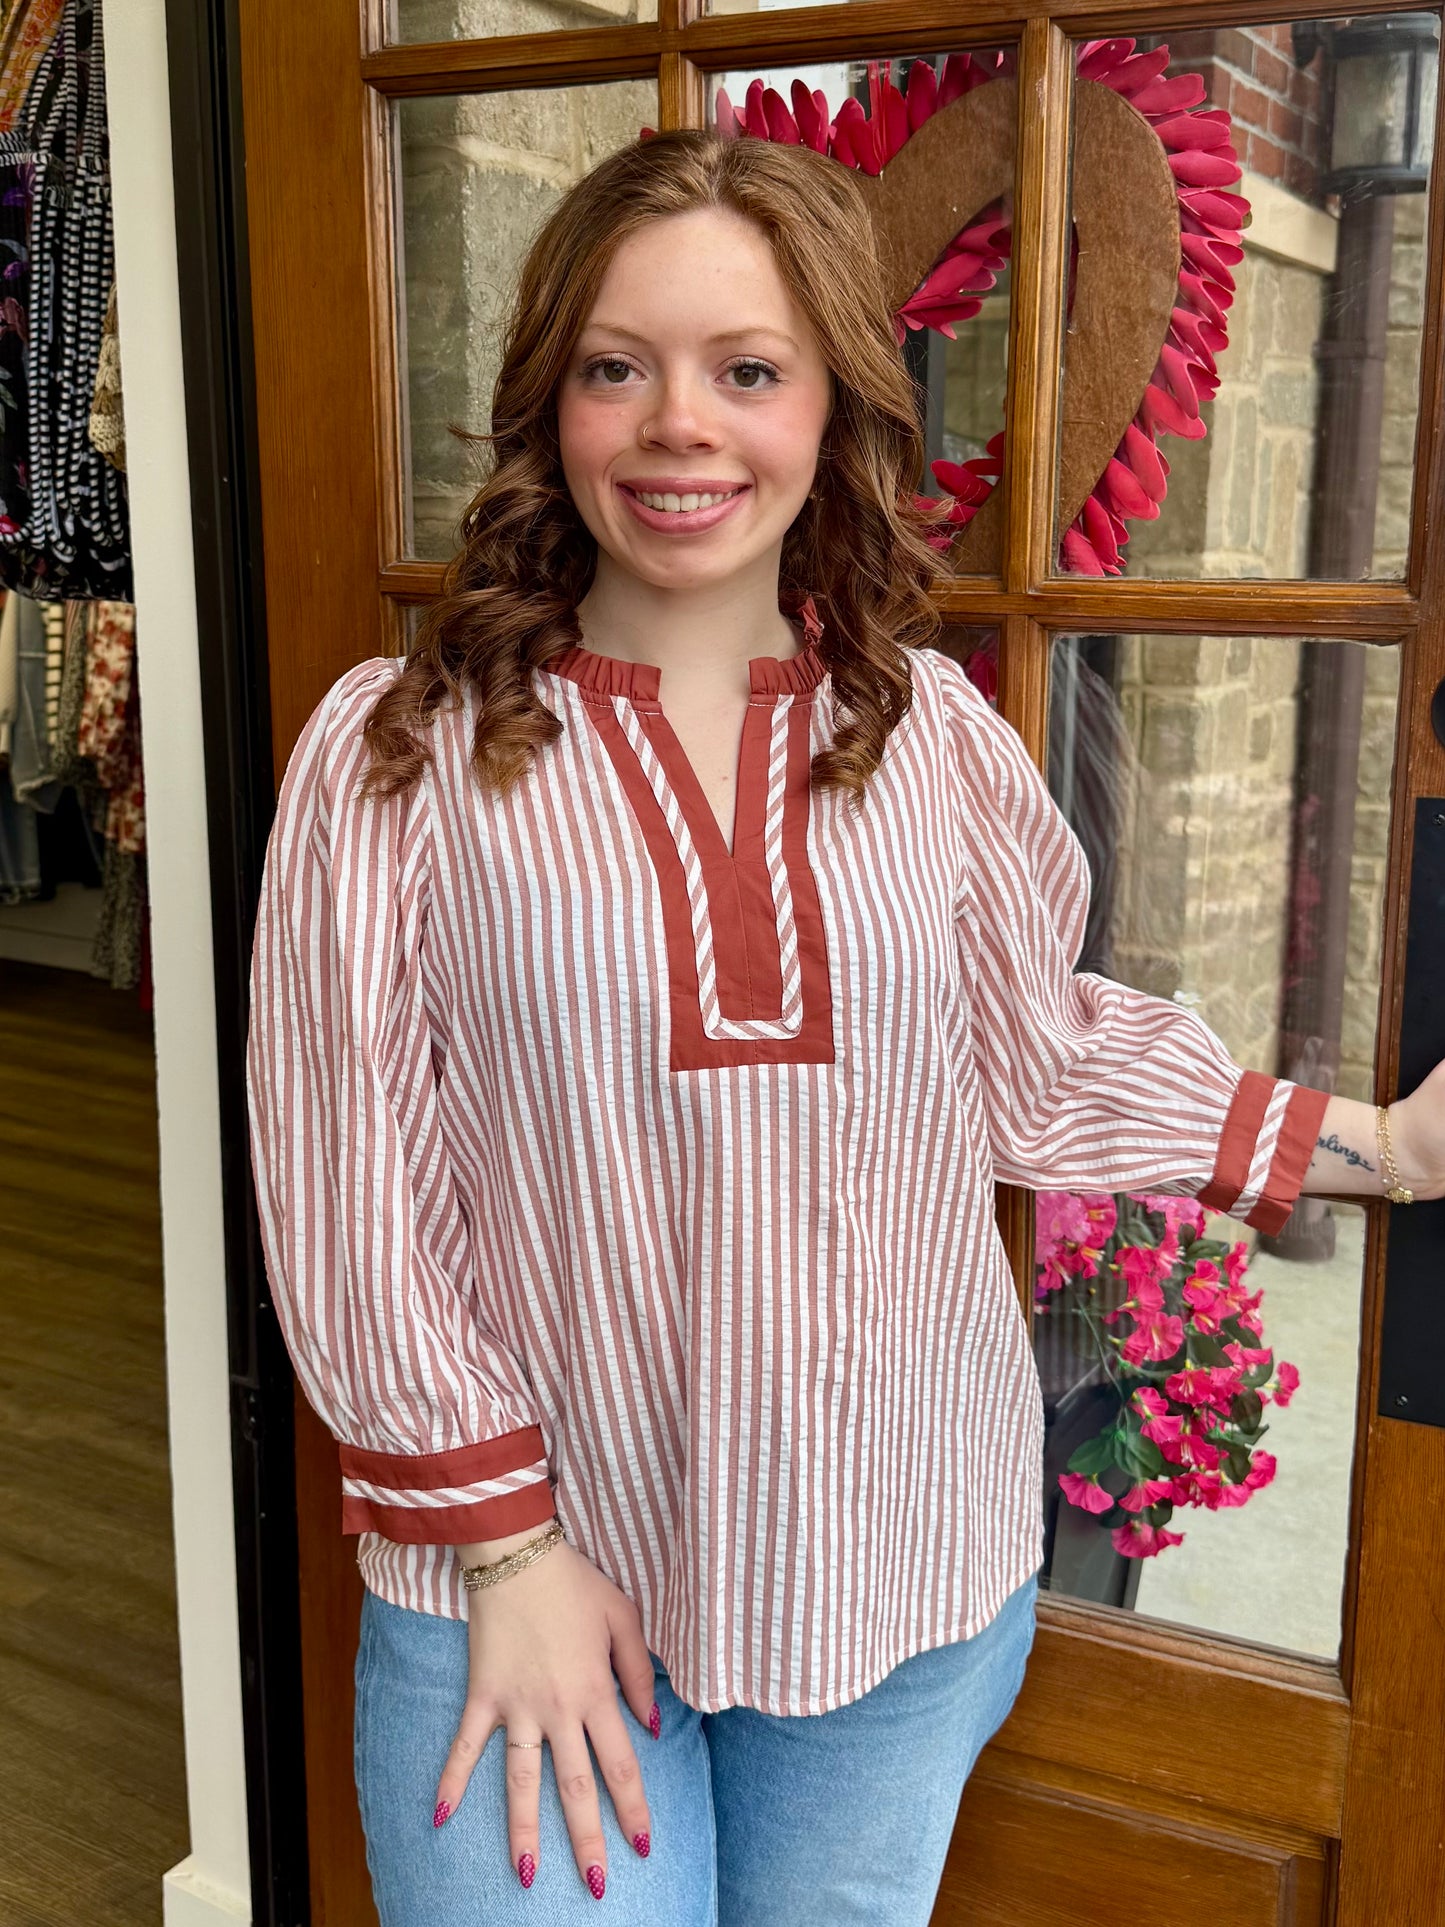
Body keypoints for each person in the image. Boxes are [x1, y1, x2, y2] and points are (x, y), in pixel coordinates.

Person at [244, 128, 1445, 1926]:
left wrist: (1383, 1150)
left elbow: (1035, 1060)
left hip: (892, 1573)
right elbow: (348, 1191)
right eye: (614, 367)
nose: (679, 426)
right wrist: (507, 1546)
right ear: (548, 401)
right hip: (528, 1587)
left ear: (827, 411)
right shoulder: (396, 753)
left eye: (745, 370)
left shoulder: (935, 746)